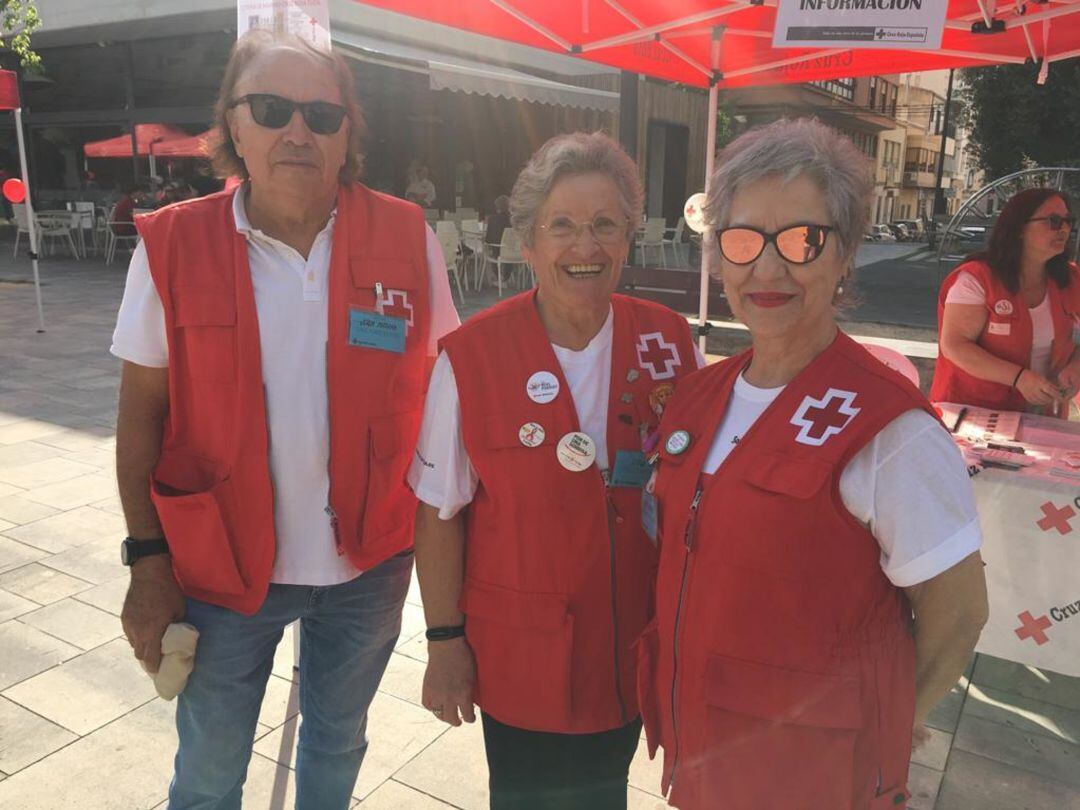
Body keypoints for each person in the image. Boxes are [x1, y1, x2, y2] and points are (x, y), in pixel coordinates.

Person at [110, 30, 459, 809]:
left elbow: (448, 399)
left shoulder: (407, 237)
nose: (297, 131)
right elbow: (139, 417)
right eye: (271, 109)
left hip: (369, 567)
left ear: (346, 136)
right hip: (221, 570)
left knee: (337, 748)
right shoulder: (173, 245)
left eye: (321, 115)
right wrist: (146, 559)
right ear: (233, 127)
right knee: (209, 769)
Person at [637, 119, 988, 810]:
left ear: (845, 254)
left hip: (815, 779)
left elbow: (957, 617)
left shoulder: (892, 431)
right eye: (740, 241)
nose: (766, 270)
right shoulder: (698, 396)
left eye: (802, 240)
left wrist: (888, 724)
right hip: (706, 755)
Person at [409, 132, 701, 809]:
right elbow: (437, 509)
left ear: (628, 238)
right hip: (519, 652)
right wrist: (444, 641)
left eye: (605, 225)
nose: (585, 247)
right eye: (562, 226)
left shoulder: (669, 340)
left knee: (603, 795)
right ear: (529, 241)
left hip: (628, 643)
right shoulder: (471, 357)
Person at [931, 187, 1080, 415]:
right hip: (971, 414)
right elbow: (955, 345)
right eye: (1054, 221)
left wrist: (1076, 367)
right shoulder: (976, 278)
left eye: (1068, 221)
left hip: (1043, 414)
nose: (1064, 229)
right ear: (1019, 228)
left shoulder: (1071, 278)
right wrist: (1019, 378)